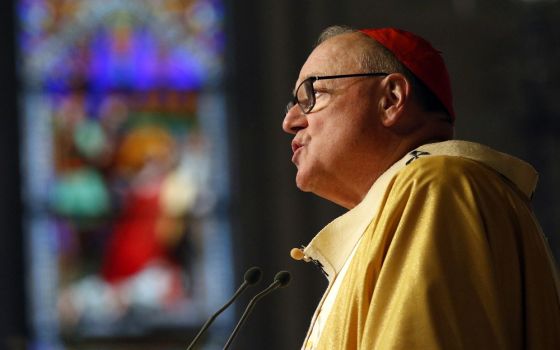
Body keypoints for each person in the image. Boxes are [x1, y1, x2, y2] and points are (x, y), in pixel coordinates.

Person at [283, 26, 560, 349]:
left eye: (311, 96)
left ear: (391, 99)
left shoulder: (437, 186)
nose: (290, 121)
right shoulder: (399, 211)